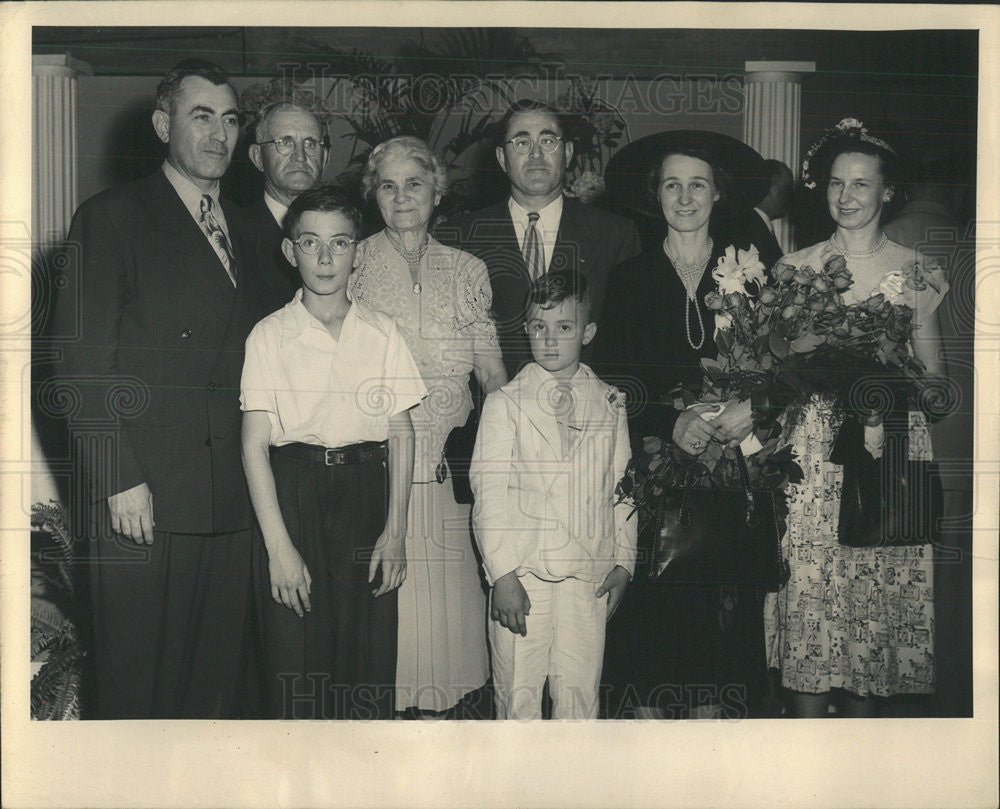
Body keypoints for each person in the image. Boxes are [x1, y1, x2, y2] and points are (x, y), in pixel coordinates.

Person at [52, 58, 271, 719]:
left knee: (215, 692)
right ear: (161, 123)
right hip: (142, 498)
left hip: (233, 498)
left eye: (230, 119)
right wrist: (118, 477)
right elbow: (78, 359)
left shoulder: (258, 229)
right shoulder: (112, 217)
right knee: (137, 689)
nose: (218, 134)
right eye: (200, 115)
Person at [763, 119, 948, 717]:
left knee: (874, 601)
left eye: (861, 184)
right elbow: (775, 372)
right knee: (813, 597)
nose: (846, 196)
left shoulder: (917, 271)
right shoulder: (795, 267)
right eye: (836, 183)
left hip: (889, 449)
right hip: (816, 454)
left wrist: (889, 390)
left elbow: (936, 379)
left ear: (886, 192)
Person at [591, 130, 774, 719]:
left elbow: (783, 370)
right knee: (657, 618)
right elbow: (613, 380)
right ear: (656, 195)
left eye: (698, 184)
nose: (686, 196)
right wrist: (671, 420)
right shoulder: (630, 277)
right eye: (673, 184)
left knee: (725, 620)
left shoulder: (754, 276)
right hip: (656, 480)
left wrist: (755, 408)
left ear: (718, 193)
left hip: (735, 476)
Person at [240, 185, 426, 719]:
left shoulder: (382, 332)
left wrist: (395, 534)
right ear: (289, 250)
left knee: (366, 664)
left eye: (340, 243)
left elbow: (402, 433)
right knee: (296, 660)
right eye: (310, 243)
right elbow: (254, 446)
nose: (325, 258)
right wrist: (279, 547)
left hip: (367, 495)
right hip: (294, 496)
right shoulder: (269, 336)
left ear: (357, 251)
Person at [349, 136, 507, 716]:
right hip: (378, 476)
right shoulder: (354, 263)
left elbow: (491, 372)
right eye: (387, 185)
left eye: (414, 183)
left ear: (437, 190)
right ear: (373, 196)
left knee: (454, 642)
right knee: (391, 641)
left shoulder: (467, 270)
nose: (401, 196)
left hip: (450, 477)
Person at [470, 266, 636, 719]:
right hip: (524, 577)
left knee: (580, 700)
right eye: (539, 327)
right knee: (517, 697)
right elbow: (489, 492)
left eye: (564, 327)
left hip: (589, 574)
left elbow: (622, 486)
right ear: (526, 330)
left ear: (588, 332)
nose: (550, 339)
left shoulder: (610, 402)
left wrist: (624, 560)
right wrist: (501, 575)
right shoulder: (506, 403)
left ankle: (570, 786)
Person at [436, 99, 641, 379]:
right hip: (492, 412)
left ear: (567, 153)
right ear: (501, 158)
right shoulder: (458, 238)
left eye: (548, 141)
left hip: (588, 410)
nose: (535, 154)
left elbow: (626, 340)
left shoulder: (614, 234)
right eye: (522, 143)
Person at [244, 101, 331, 308]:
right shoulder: (233, 232)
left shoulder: (350, 234)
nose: (300, 156)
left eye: (310, 143)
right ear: (258, 157)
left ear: (325, 158)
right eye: (285, 142)